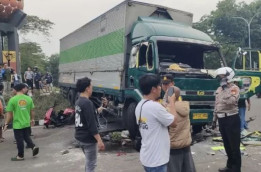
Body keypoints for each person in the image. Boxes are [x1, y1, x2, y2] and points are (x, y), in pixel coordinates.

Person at [135, 74, 177, 172]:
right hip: (157, 160)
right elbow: (174, 122)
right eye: (159, 86)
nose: (160, 88)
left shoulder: (140, 105)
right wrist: (172, 102)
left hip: (147, 157)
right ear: (153, 89)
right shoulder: (155, 107)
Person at [161, 74, 196, 172]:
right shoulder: (168, 96)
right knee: (186, 166)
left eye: (167, 84)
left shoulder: (174, 97)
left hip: (175, 141)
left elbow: (173, 115)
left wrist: (167, 106)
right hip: (184, 140)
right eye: (163, 84)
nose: (165, 86)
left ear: (172, 83)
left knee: (175, 167)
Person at [212, 67, 241, 172]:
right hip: (221, 119)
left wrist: (226, 90)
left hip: (231, 118)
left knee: (234, 146)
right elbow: (217, 105)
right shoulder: (218, 89)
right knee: (227, 145)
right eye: (220, 77)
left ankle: (236, 168)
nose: (220, 78)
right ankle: (229, 166)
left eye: (222, 76)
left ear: (228, 76)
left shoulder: (234, 88)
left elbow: (232, 101)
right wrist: (214, 120)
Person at [74, 77, 105, 172]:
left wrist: (98, 110)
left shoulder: (79, 101)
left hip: (80, 137)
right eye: (91, 86)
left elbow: (86, 115)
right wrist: (99, 140)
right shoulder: (87, 103)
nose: (92, 88)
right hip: (88, 140)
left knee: (89, 163)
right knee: (91, 165)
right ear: (87, 88)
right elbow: (92, 125)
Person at [3, 83, 39, 161]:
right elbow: (32, 111)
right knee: (26, 137)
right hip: (26, 123)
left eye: (13, 89)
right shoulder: (29, 99)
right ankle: (33, 147)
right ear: (22, 89)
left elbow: (9, 114)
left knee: (19, 140)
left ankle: (20, 155)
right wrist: (32, 119)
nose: (12, 91)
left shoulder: (12, 99)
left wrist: (6, 124)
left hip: (17, 124)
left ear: (16, 90)